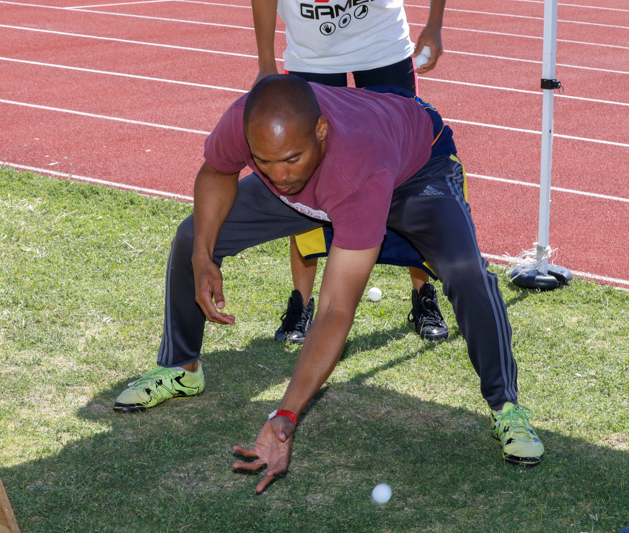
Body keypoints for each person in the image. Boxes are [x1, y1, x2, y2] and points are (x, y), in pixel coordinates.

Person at [114, 76, 545, 484]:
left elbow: (336, 309)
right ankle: (182, 367)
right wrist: (203, 255)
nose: (279, 176)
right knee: (193, 235)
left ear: (320, 131)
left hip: (416, 172)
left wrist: (285, 415)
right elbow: (217, 171)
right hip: (331, 178)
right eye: (263, 162)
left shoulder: (358, 169)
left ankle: (505, 407)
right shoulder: (246, 123)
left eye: (291, 159)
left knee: (467, 273)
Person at [252, 0, 450, 344]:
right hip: (312, 56)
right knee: (305, 177)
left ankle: (424, 295)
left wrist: (434, 23)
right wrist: (266, 61)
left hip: (382, 48)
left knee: (407, 175)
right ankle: (301, 303)